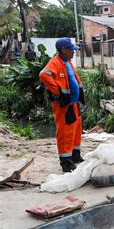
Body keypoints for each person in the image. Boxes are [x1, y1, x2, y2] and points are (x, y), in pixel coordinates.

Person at [39, 38, 85, 172]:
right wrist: (57, 90)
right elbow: (43, 75)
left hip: (73, 103)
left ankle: (75, 155)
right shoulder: (55, 62)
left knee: (76, 129)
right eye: (71, 50)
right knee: (65, 132)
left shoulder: (68, 62)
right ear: (63, 50)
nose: (73, 52)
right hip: (64, 104)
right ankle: (66, 162)